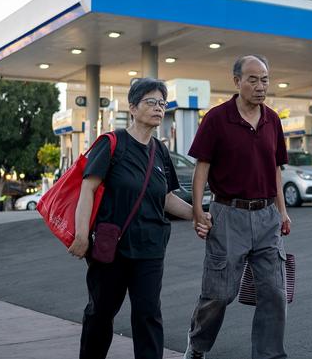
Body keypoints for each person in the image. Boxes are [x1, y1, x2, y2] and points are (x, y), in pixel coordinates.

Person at [70, 78, 210, 359]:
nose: (158, 108)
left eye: (162, 103)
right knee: (101, 312)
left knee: (148, 314)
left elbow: (167, 198)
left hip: (150, 248)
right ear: (132, 107)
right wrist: (82, 234)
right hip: (113, 248)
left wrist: (198, 216)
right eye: (151, 102)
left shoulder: (160, 151)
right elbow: (88, 188)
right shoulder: (112, 143)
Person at [185, 55, 290, 359]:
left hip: (267, 215)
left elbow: (276, 168)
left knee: (273, 292)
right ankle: (197, 344)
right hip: (228, 215)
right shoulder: (217, 119)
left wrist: (282, 210)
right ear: (237, 82)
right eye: (253, 79)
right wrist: (197, 211)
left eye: (265, 79)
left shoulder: (273, 119)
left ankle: (269, 355)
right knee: (219, 294)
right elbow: (201, 168)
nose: (261, 86)